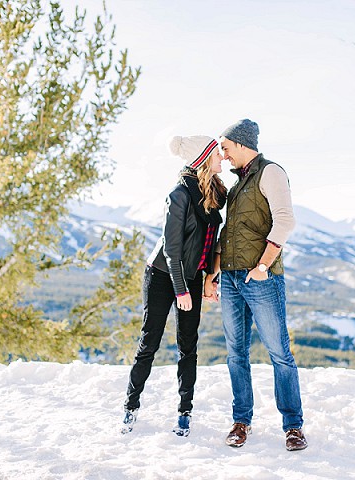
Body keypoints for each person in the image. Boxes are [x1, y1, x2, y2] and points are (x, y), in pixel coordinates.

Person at [209, 118, 307, 451]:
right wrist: (214, 273)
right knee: (236, 355)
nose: (223, 155)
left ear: (240, 143)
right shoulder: (237, 186)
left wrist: (264, 265)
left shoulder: (271, 172)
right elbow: (228, 235)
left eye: (225, 147)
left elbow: (285, 220)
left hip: (260, 278)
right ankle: (241, 421)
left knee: (280, 353)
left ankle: (293, 427)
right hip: (232, 279)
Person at [121, 135, 227, 437]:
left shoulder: (216, 193)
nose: (222, 158)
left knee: (188, 345)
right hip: (163, 275)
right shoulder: (179, 194)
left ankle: (184, 412)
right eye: (217, 154)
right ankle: (130, 406)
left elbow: (209, 243)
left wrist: (210, 278)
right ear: (203, 159)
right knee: (150, 342)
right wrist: (180, 289)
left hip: (191, 276)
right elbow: (172, 248)